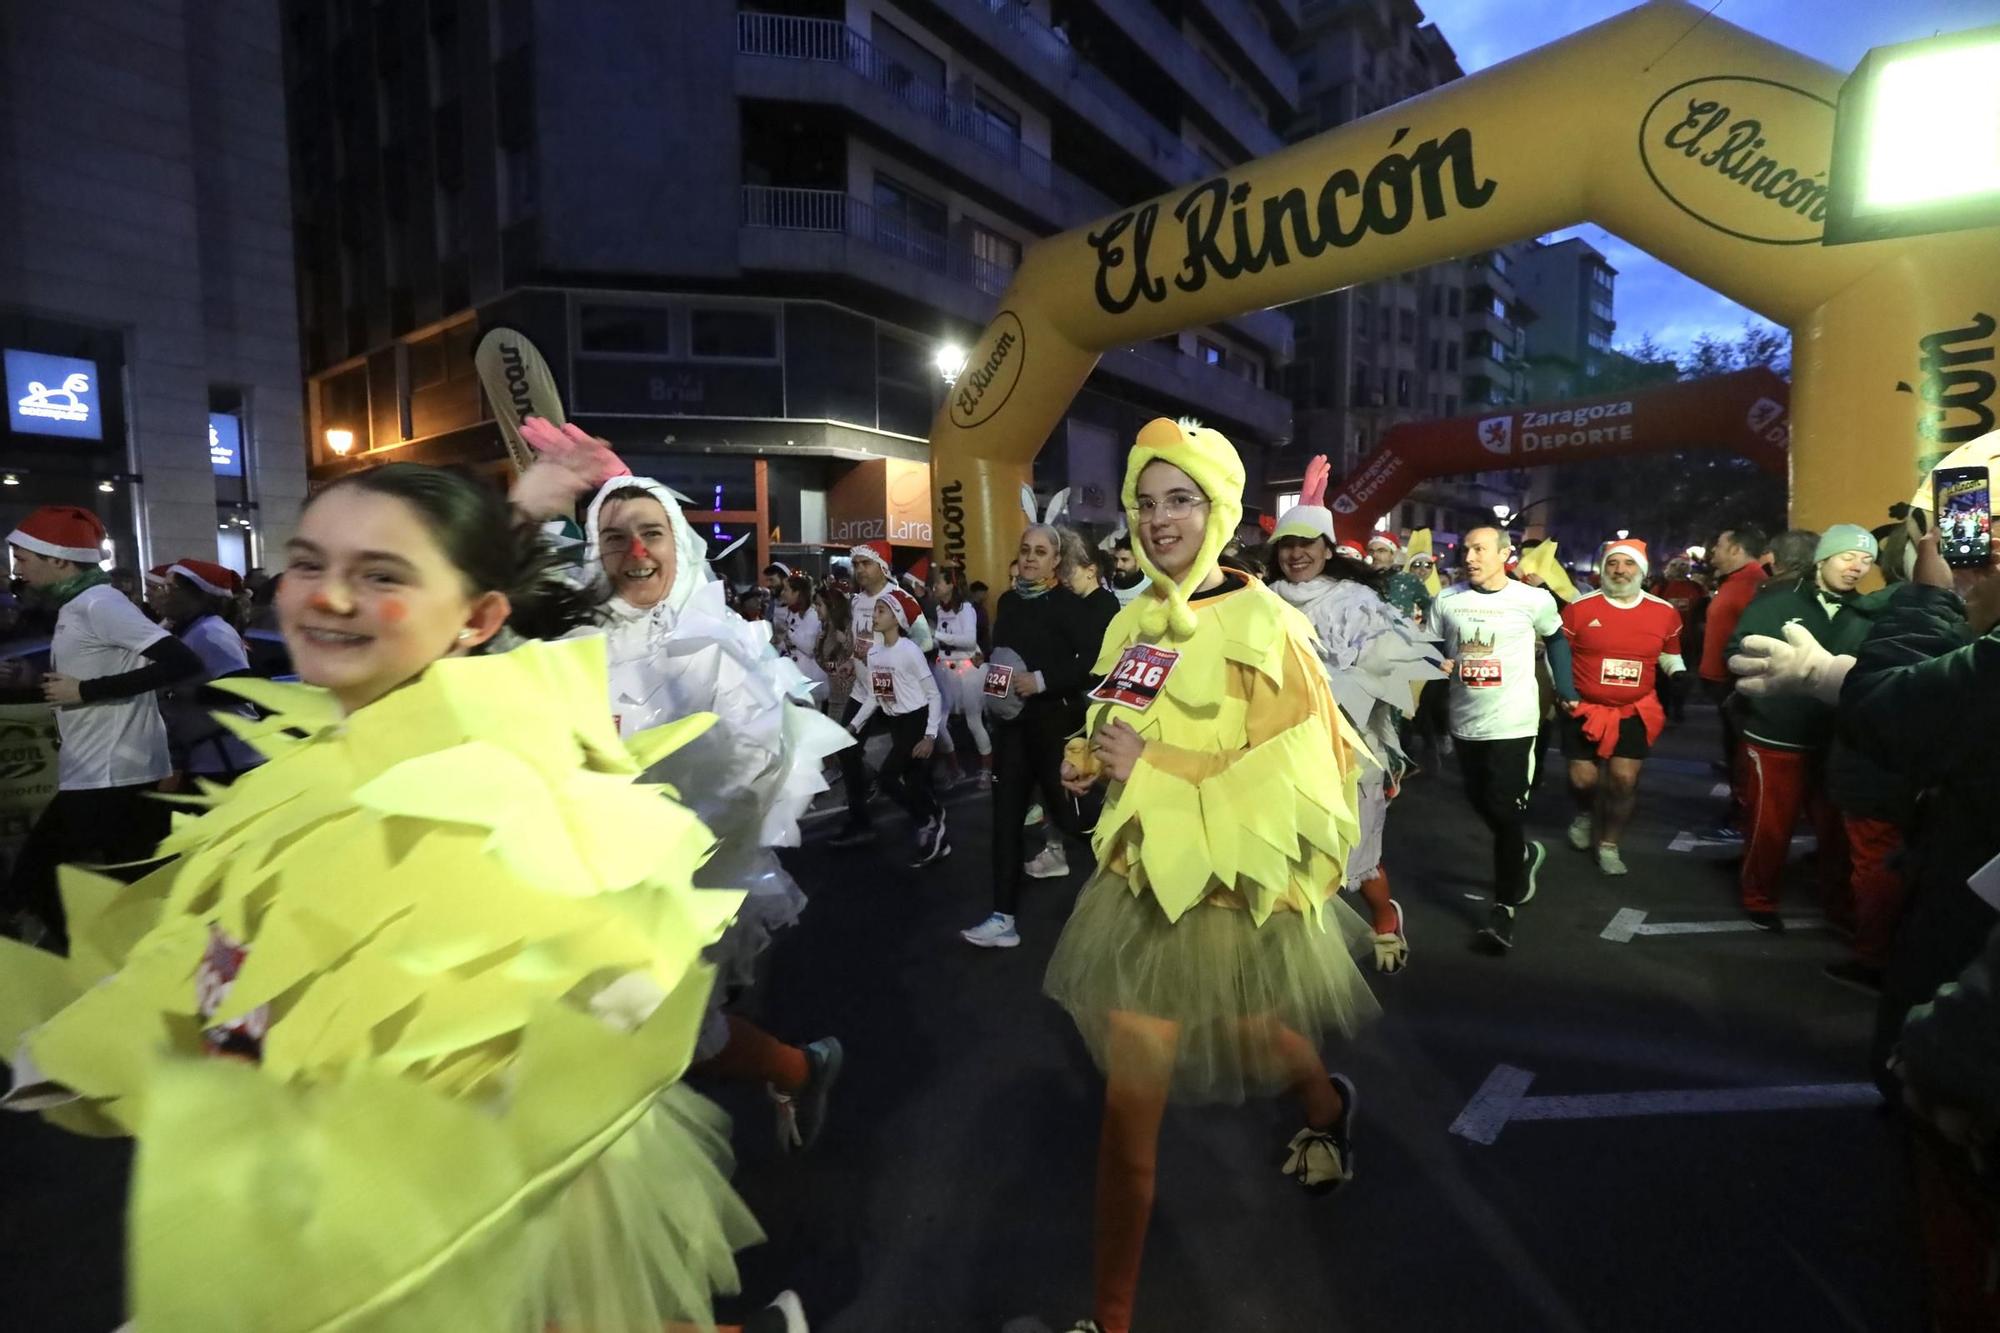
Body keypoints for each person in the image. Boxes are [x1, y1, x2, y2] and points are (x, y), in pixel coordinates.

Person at [0, 465, 806, 1332]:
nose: (330, 596)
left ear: (476, 618)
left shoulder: (505, 774)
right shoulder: (312, 765)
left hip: (448, 1158)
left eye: (381, 574)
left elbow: (611, 958)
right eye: (310, 562)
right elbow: (223, 928)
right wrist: (82, 1046)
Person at [1038, 418, 1378, 1333]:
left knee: (1254, 1031)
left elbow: (1302, 783)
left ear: (1221, 511)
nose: (1159, 521)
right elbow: (1118, 724)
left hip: (1229, 887)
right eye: (1147, 502)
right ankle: (1111, 1319)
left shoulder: (1271, 624)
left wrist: (1148, 769)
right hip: (1141, 882)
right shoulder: (1130, 615)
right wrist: (1085, 755)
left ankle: (1326, 1103)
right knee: (1129, 1108)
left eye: (1179, 500)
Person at [0, 505, 203, 952]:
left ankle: (92, 962)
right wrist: (43, 686)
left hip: (112, 772)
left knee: (35, 877)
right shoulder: (81, 605)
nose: (16, 569)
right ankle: (135, 965)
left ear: (59, 560)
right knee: (136, 881)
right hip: (108, 768)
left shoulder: (99, 603)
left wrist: (86, 691)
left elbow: (184, 662)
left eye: (21, 558)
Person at [1269, 458, 1445, 971]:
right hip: (1277, 749)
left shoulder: (1356, 600)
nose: (1297, 554)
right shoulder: (1259, 600)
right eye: (1288, 544)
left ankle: (1386, 918)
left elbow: (1387, 673)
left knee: (1357, 857)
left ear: (1327, 549)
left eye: (1308, 544)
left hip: (1347, 750)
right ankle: (1300, 950)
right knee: (1289, 853)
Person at [960, 522, 1112, 949]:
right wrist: (996, 688)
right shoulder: (1008, 601)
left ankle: (1119, 899)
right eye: (1025, 549)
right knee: (1005, 821)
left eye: (1040, 552)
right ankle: (1002, 916)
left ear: (1056, 560)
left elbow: (1094, 664)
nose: (1029, 557)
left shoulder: (1069, 605)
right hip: (1012, 731)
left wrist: (1041, 681)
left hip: (1054, 728)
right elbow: (1003, 657)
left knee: (1071, 820)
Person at [1725, 523, 1882, 932]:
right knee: (1770, 826)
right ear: (1823, 557)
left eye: (1866, 561)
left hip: (1836, 740)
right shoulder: (1775, 604)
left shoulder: (1869, 612)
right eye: (1848, 556)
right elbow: (1735, 651)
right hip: (1777, 735)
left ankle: (1840, 905)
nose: (1857, 568)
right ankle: (1759, 896)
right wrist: (1761, 691)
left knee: (1836, 834)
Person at [1431, 524, 1577, 952]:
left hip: (1514, 722)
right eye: (1467, 549)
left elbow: (1556, 641)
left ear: (1504, 554)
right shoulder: (1448, 599)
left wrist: (1566, 689)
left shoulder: (1532, 599)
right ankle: (1525, 855)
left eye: (1480, 549)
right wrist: (1434, 662)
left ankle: (1503, 907)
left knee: (1505, 809)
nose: (1470, 557)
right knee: (1480, 801)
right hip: (1466, 720)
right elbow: (1431, 646)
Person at [1558, 539, 1686, 877]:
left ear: (1641, 571)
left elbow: (1669, 652)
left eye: (1628, 564)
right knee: (1583, 780)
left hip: (1634, 708)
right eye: (1613, 563)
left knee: (1624, 779)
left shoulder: (1664, 612)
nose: (1619, 570)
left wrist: (1678, 673)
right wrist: (1562, 689)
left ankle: (1610, 844)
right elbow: (1557, 654)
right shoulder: (1579, 608)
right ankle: (1585, 814)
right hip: (1583, 706)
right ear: (1603, 568)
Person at [830, 541, 931, 846]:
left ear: (882, 566)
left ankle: (926, 819)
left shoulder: (900, 598)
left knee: (909, 768)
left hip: (895, 695)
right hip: (864, 690)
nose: (859, 569)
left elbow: (925, 642)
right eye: (856, 564)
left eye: (866, 563)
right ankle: (861, 820)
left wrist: (889, 658)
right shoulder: (858, 601)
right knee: (847, 750)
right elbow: (862, 641)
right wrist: (852, 661)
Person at [848, 585, 948, 865]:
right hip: (895, 723)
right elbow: (875, 696)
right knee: (914, 783)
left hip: (915, 720)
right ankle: (937, 833)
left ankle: (928, 820)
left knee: (888, 779)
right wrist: (854, 726)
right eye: (875, 610)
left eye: (881, 611)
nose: (874, 616)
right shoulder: (875, 654)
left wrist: (929, 736)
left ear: (897, 619)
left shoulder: (910, 652)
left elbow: (934, 695)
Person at [151, 558, 264, 785]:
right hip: (209, 758)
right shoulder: (189, 630)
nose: (161, 595)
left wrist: (178, 693)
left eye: (170, 588)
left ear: (198, 595)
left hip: (229, 759)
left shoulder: (211, 632)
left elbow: (240, 688)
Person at [1698, 522, 1770, 833]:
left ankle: (1743, 818)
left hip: (1736, 684)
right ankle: (1740, 812)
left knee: (1741, 755)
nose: (1713, 551)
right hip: (1725, 682)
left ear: (1736, 550)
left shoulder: (1754, 584)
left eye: (1719, 546)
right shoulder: (1737, 581)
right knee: (1733, 752)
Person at [931, 565, 992, 785]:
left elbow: (968, 639)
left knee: (974, 722)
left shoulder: (966, 609)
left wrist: (937, 635)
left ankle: (986, 769)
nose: (935, 585)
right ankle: (954, 768)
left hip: (967, 672)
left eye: (939, 581)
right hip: (945, 670)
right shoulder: (938, 610)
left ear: (951, 585)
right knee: (938, 723)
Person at [813, 587, 855, 713]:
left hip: (849, 697)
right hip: (834, 697)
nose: (816, 609)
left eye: (819, 605)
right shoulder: (826, 629)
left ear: (832, 606)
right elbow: (826, 666)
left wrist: (845, 641)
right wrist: (817, 647)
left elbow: (856, 656)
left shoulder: (848, 626)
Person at [1107, 533, 1150, 608]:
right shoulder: (1108, 587)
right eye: (1115, 560)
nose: (1118, 565)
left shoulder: (1150, 590)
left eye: (1124, 560)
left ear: (1139, 561)